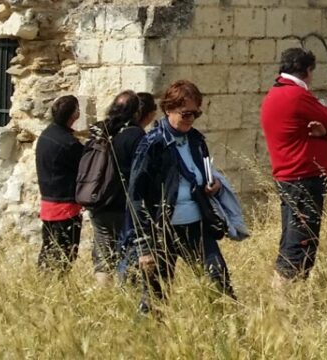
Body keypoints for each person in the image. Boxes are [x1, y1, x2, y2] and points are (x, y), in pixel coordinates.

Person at [126, 80, 233, 312]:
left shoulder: (196, 140)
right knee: (157, 294)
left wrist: (211, 185)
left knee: (219, 282)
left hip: (196, 225)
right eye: (185, 113)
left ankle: (226, 333)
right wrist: (144, 247)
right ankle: (150, 338)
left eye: (196, 114)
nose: (191, 119)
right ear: (168, 109)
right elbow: (135, 195)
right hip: (163, 229)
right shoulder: (152, 144)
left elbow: (202, 175)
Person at [260, 47, 327, 283]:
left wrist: (320, 133)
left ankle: (288, 299)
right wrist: (325, 129)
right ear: (307, 71)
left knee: (293, 239)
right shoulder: (297, 95)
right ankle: (283, 304)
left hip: (292, 178)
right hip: (302, 178)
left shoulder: (276, 92)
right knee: (300, 242)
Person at [88, 90, 147, 282]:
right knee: (127, 254)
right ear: (136, 112)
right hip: (123, 204)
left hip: (99, 201)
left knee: (103, 256)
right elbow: (141, 172)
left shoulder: (101, 130)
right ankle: (123, 297)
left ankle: (102, 300)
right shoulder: (135, 134)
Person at [35, 94, 85, 272]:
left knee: (48, 251)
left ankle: (44, 287)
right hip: (65, 206)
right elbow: (85, 163)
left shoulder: (47, 134)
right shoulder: (68, 143)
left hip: (48, 203)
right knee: (65, 255)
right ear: (74, 115)